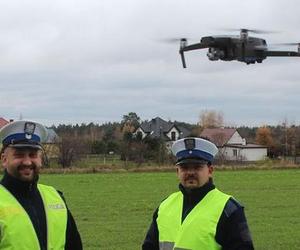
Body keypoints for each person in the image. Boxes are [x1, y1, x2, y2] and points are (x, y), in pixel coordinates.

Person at [142, 137, 254, 250]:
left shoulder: (228, 209)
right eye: (184, 167)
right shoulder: (165, 206)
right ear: (177, 172)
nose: (190, 172)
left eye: (197, 167)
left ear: (210, 171)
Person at [0, 120, 82, 250]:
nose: (27, 162)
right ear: (4, 159)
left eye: (33, 155)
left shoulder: (56, 198)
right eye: (19, 155)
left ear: (41, 159)